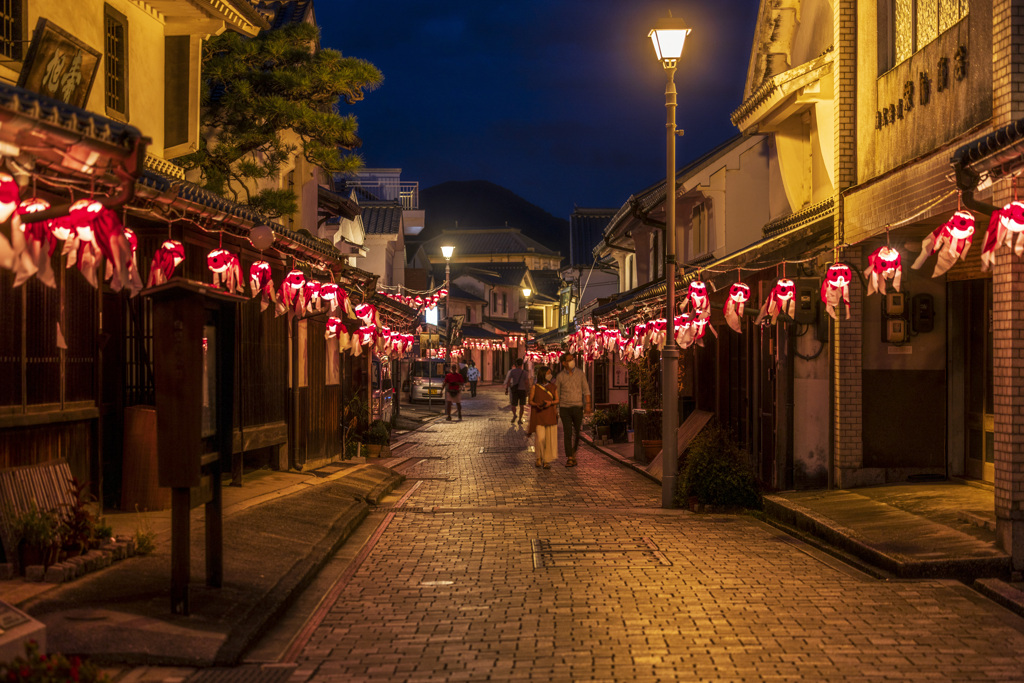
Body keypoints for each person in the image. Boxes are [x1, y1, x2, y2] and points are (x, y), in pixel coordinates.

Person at [554, 352, 591, 467]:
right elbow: (557, 393)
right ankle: (570, 457)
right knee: (567, 432)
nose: (572, 361)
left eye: (572, 359)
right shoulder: (560, 377)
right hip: (565, 408)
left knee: (577, 433)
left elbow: (586, 390)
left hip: (577, 407)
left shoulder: (580, 374)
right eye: (569, 360)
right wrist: (555, 408)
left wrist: (588, 404)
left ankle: (573, 453)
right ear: (564, 363)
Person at [528, 365, 559, 468]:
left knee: (549, 439)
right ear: (543, 374)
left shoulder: (553, 387)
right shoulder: (535, 387)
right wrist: (537, 404)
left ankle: (546, 460)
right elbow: (530, 401)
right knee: (540, 438)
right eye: (548, 373)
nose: (550, 375)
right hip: (539, 415)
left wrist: (550, 403)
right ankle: (538, 457)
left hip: (550, 414)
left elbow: (557, 400)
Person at [504, 358, 530, 426]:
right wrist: (527, 391)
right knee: (522, 405)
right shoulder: (524, 373)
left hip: (515, 390)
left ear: (516, 364)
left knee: (513, 404)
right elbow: (526, 382)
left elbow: (509, 381)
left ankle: (514, 415)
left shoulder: (512, 371)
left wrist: (507, 389)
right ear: (522, 364)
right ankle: (520, 419)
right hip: (522, 390)